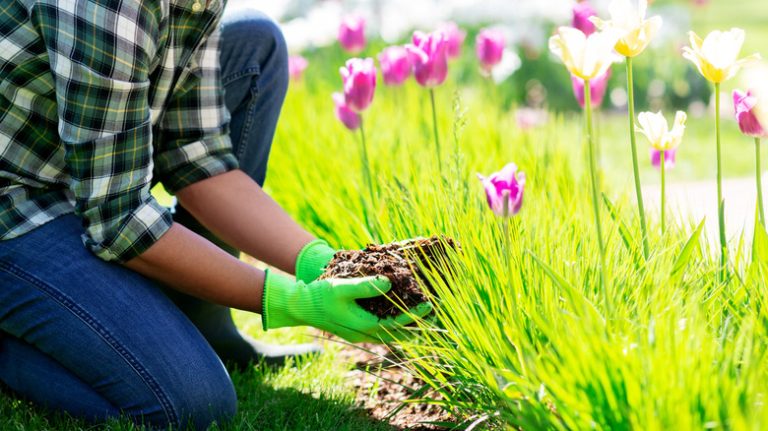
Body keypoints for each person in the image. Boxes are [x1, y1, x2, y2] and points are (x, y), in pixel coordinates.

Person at [0, 0, 431, 428]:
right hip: (15, 206)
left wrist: (324, 265)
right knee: (189, 404)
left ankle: (201, 323)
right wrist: (291, 302)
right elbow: (119, 222)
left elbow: (197, 157)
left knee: (252, 43)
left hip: (76, 176)